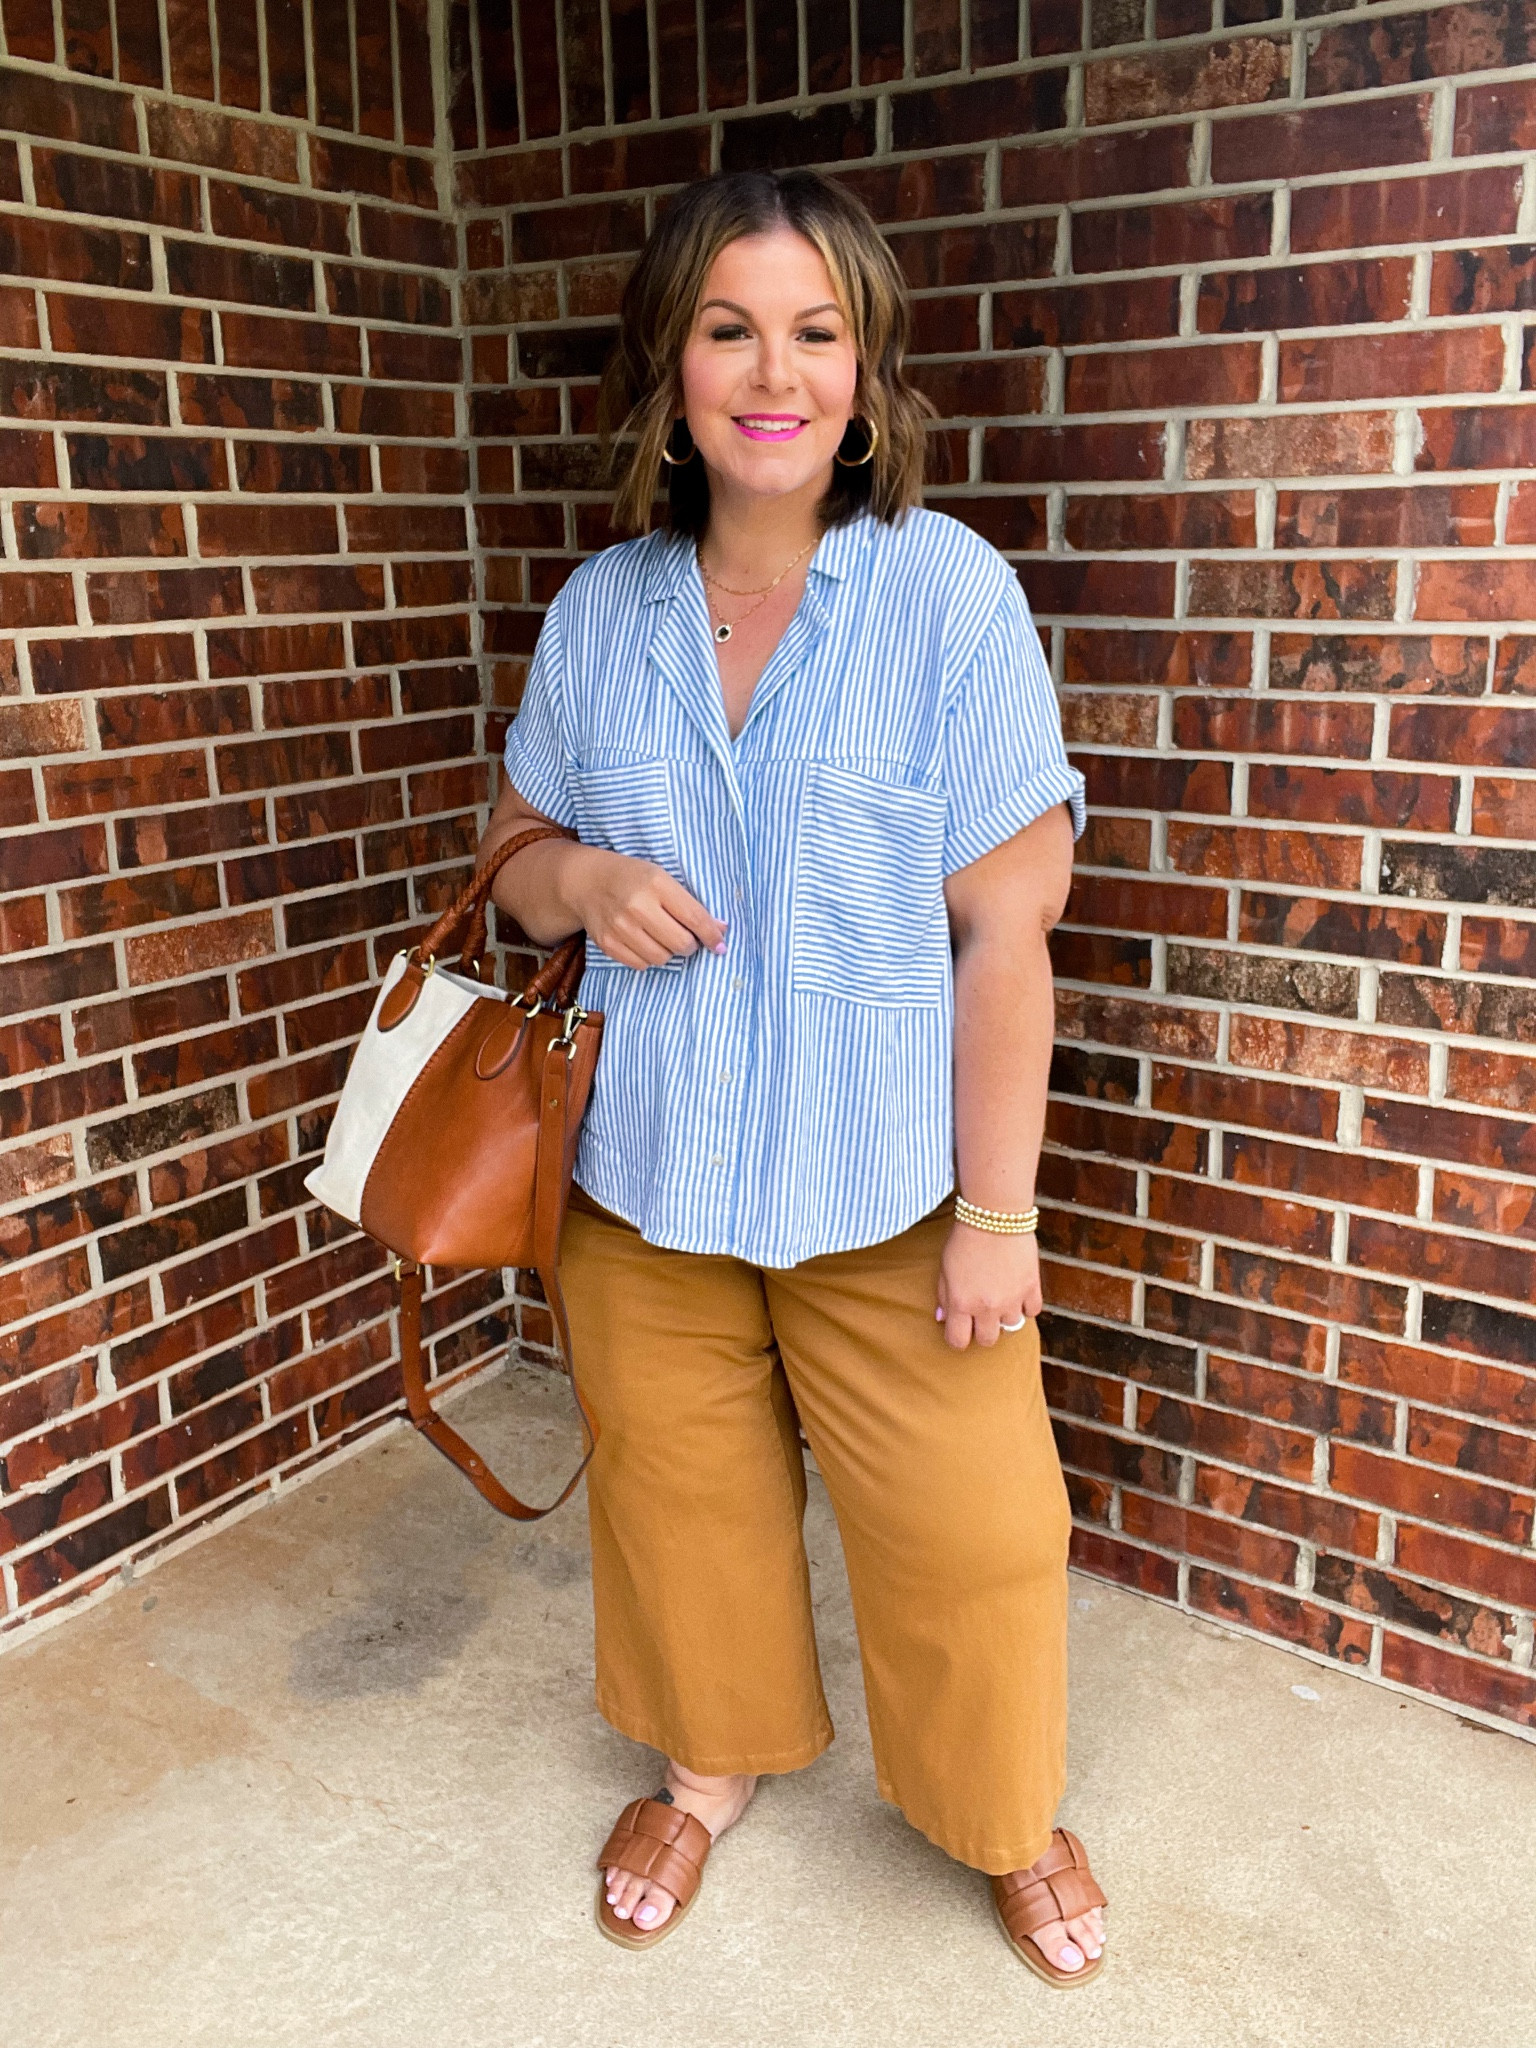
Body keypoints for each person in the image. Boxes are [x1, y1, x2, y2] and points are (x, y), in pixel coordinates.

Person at [477, 167, 1106, 1985]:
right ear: (670, 365)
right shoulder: (603, 611)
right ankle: (706, 1766)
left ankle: (1003, 1812)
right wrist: (576, 881)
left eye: (816, 331)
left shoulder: (948, 598)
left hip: (891, 1199)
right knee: (680, 1511)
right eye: (730, 327)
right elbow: (515, 841)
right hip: (649, 1182)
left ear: (867, 369)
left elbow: (1007, 936)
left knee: (983, 1534)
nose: (775, 371)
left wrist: (998, 1215)